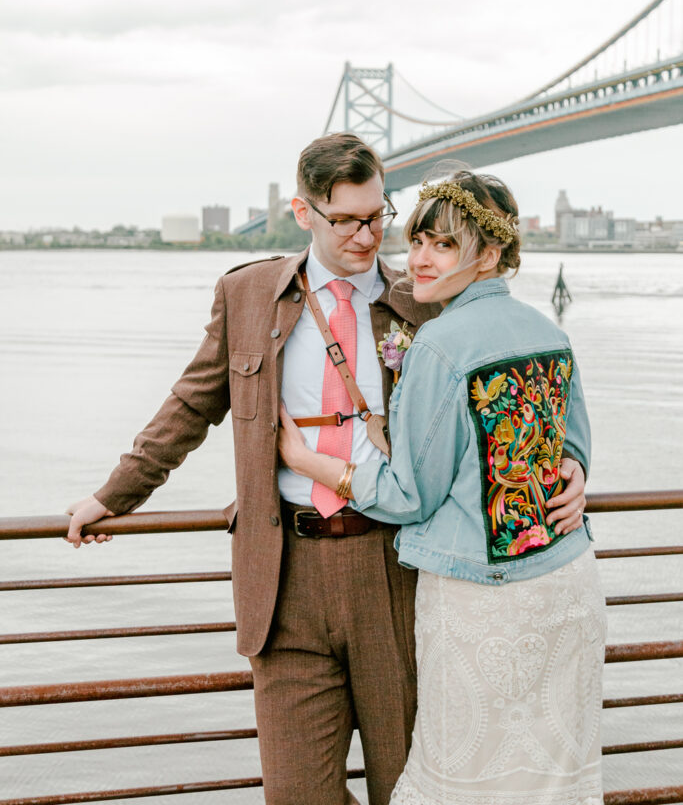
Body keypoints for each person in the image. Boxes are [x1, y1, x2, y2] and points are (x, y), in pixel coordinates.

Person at [65, 137, 588, 805]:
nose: (367, 236)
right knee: (294, 796)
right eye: (345, 219)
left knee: (406, 789)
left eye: (376, 216)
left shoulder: (428, 298)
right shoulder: (247, 294)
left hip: (395, 571)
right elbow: (191, 404)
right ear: (302, 211)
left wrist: (566, 462)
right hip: (283, 579)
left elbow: (515, 384)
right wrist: (112, 495)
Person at [278, 166, 606, 805]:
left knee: (463, 779)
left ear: (488, 255)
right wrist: (576, 477)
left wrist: (315, 463)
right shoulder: (550, 331)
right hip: (565, 583)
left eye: (444, 245)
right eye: (418, 240)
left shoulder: (439, 345)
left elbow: (409, 496)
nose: (419, 259)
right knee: (547, 783)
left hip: (479, 597)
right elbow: (575, 447)